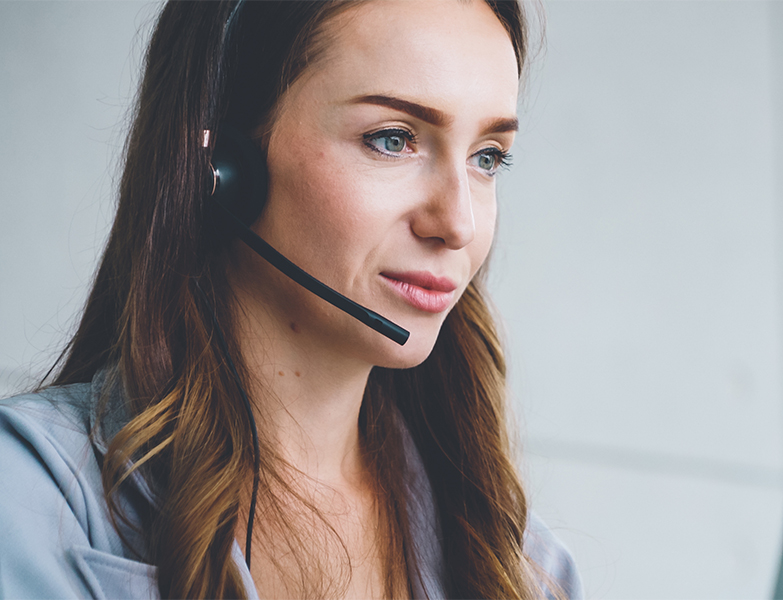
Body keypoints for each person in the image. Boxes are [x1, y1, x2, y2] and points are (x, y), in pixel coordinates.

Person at [0, 1, 582, 598]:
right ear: (222, 166)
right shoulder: (32, 501)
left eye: (487, 157)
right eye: (392, 139)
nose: (458, 223)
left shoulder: (526, 568)